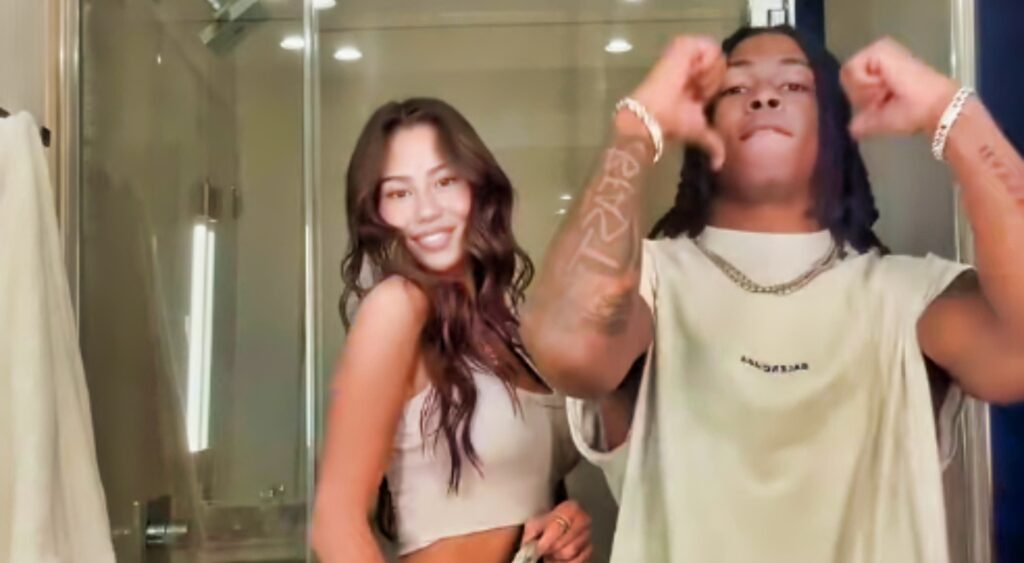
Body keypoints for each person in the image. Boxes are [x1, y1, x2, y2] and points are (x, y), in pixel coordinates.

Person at [521, 25, 1024, 563]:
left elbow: (1013, 359)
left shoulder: (907, 296)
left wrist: (954, 114)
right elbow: (568, 350)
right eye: (735, 88)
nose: (763, 97)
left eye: (795, 86)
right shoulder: (654, 282)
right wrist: (637, 127)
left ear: (833, 130)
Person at [310, 98, 594, 563]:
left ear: (476, 186)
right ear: (378, 211)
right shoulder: (397, 307)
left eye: (444, 182)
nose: (427, 210)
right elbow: (334, 523)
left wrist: (564, 525)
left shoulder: (513, 322)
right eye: (400, 193)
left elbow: (518, 495)